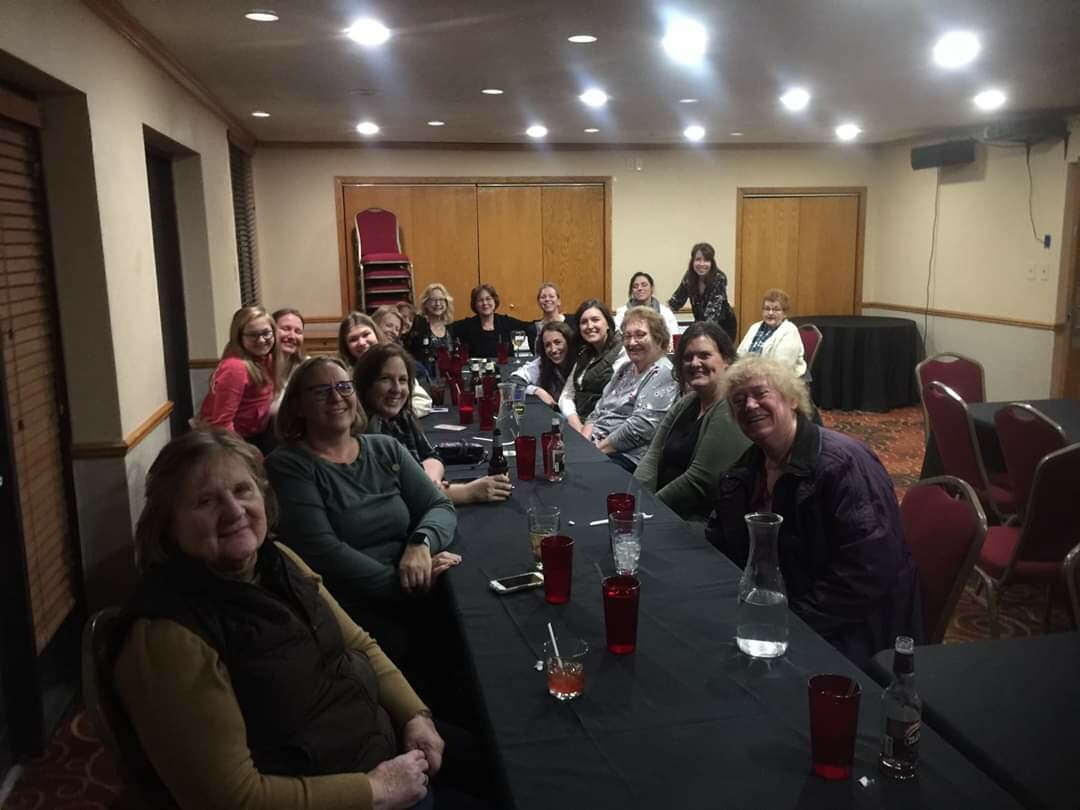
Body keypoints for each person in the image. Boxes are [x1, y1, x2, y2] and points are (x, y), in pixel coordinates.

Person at [115, 428, 444, 810]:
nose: (234, 511)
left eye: (243, 490)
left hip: (380, 748)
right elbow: (232, 799)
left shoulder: (279, 559)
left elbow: (357, 643)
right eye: (205, 501)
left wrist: (415, 714)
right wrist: (375, 789)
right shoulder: (168, 637)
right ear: (167, 525)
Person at [706, 356, 922, 669]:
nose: (750, 405)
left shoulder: (843, 464)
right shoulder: (747, 468)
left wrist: (790, 621)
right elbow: (723, 539)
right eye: (738, 401)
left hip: (850, 628)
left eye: (761, 393)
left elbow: (868, 572)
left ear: (792, 399)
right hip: (781, 608)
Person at [267, 357, 458, 614]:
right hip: (351, 610)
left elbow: (440, 505)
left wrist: (420, 543)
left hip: (413, 584)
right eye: (321, 391)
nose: (336, 397)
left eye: (344, 387)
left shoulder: (385, 448)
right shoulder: (288, 467)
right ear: (298, 406)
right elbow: (323, 553)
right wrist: (406, 586)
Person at [355, 345, 513, 506]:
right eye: (385, 379)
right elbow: (394, 497)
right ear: (366, 384)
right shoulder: (366, 433)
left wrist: (431, 481)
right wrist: (467, 493)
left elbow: (430, 455)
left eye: (402, 380)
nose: (396, 389)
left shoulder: (402, 417)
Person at [635, 322, 751, 520]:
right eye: (688, 357)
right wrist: (637, 499)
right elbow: (652, 456)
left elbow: (699, 481)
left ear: (726, 360)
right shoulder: (688, 402)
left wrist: (649, 512)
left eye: (704, 355)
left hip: (696, 521)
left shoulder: (730, 407)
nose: (695, 363)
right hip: (660, 511)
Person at [580, 307, 679, 470]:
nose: (632, 342)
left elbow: (641, 427)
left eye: (640, 335)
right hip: (596, 446)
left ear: (658, 338)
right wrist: (582, 443)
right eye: (627, 336)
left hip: (626, 456)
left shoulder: (664, 372)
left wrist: (594, 451)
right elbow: (598, 410)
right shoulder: (625, 369)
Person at [198, 306, 279, 454]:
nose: (261, 340)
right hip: (233, 443)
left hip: (256, 435)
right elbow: (222, 424)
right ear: (239, 337)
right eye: (253, 335)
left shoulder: (266, 358)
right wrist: (247, 453)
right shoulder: (235, 368)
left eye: (266, 333)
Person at [340, 311, 432, 417]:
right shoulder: (343, 373)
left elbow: (423, 401)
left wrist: (394, 415)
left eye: (366, 335)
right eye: (353, 339)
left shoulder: (395, 362)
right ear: (346, 346)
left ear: (376, 334)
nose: (361, 342)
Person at [559, 299, 625, 433]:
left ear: (608, 324)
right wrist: (576, 423)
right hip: (578, 423)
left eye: (595, 320)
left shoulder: (622, 351)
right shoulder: (585, 353)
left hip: (606, 427)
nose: (589, 326)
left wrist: (587, 428)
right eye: (584, 322)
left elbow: (615, 400)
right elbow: (566, 395)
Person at [667, 242, 738, 342]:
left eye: (706, 260)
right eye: (698, 259)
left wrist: (694, 333)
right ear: (692, 261)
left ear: (712, 263)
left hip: (722, 326)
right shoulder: (689, 277)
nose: (702, 264)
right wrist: (661, 315)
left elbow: (712, 316)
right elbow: (675, 301)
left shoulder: (719, 278)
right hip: (701, 324)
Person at [735, 288, 806, 378]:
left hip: (779, 379)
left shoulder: (790, 331)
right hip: (751, 375)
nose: (770, 313)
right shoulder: (755, 327)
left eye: (776, 309)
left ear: (784, 313)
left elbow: (780, 368)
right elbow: (740, 354)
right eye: (767, 309)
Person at [451, 284, 532, 359]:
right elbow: (446, 330)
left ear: (494, 301)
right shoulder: (467, 325)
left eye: (488, 299)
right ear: (475, 304)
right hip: (478, 369)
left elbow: (530, 326)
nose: (485, 303)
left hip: (506, 368)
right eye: (480, 300)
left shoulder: (505, 322)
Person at [511, 321, 574, 408]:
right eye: (547, 345)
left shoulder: (582, 362)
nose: (553, 349)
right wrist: (536, 390)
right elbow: (512, 382)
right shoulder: (542, 363)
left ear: (569, 342)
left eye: (558, 342)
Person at [406, 283, 455, 371]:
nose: (438, 303)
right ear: (425, 303)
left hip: (446, 375)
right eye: (433, 300)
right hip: (423, 374)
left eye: (441, 299)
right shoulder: (417, 324)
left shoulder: (450, 326)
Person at [615, 272, 679, 338]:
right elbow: (617, 338)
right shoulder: (622, 313)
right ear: (632, 291)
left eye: (644, 285)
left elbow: (674, 337)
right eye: (635, 286)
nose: (640, 288)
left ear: (652, 288)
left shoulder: (666, 313)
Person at [272, 307, 306, 386]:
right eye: (286, 329)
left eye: (298, 332)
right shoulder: (257, 368)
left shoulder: (308, 367)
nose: (292, 336)